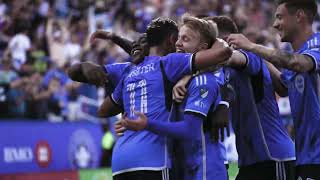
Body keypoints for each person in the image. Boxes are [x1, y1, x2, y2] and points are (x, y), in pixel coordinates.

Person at [99, 16, 232, 180]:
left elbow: (190, 130)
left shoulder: (204, 79)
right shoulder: (174, 73)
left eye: (185, 39)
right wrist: (130, 121)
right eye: (177, 38)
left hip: (205, 169)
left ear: (203, 48)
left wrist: (147, 124)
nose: (177, 43)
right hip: (181, 168)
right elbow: (148, 57)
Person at [174, 15, 296, 180]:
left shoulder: (247, 58)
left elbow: (226, 56)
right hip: (249, 160)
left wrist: (222, 102)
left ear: (223, 41)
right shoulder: (215, 71)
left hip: (273, 157)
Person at [227, 1, 320, 179]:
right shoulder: (296, 54)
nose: (275, 24)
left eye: (279, 17)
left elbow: (298, 63)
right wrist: (254, 54)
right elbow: (284, 87)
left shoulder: (315, 45)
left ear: (299, 16)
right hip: (306, 155)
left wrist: (252, 47)